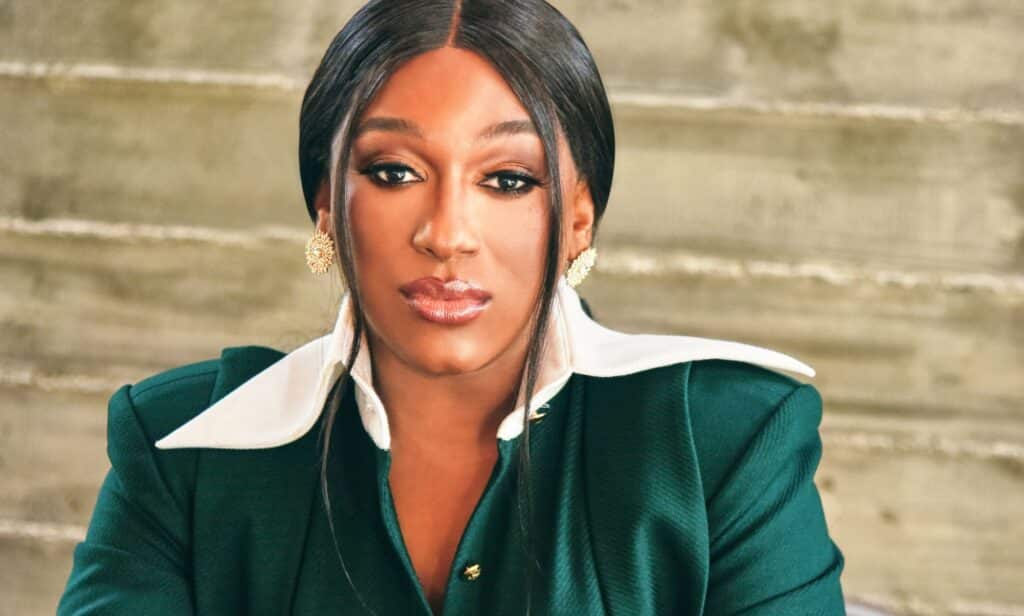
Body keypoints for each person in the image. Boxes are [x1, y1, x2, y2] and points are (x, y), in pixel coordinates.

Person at [57, 1, 846, 614]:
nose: (446, 234)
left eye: (507, 180)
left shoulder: (729, 440)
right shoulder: (180, 447)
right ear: (326, 203)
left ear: (578, 218)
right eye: (394, 171)